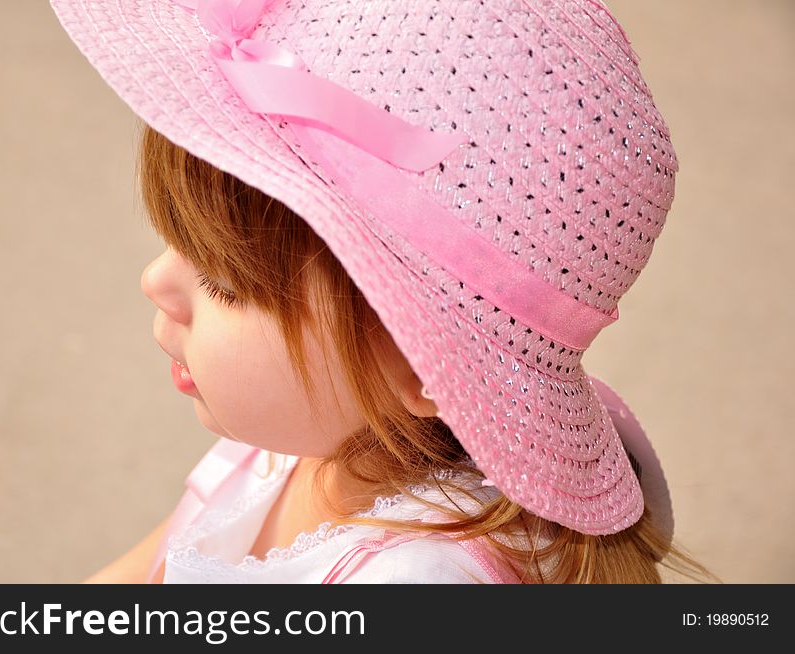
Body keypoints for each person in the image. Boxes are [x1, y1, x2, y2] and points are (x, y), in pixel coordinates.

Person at [51, 0, 715, 583]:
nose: (154, 282)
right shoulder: (310, 430)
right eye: (177, 244)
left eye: (226, 284)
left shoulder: (412, 582)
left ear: (418, 359)